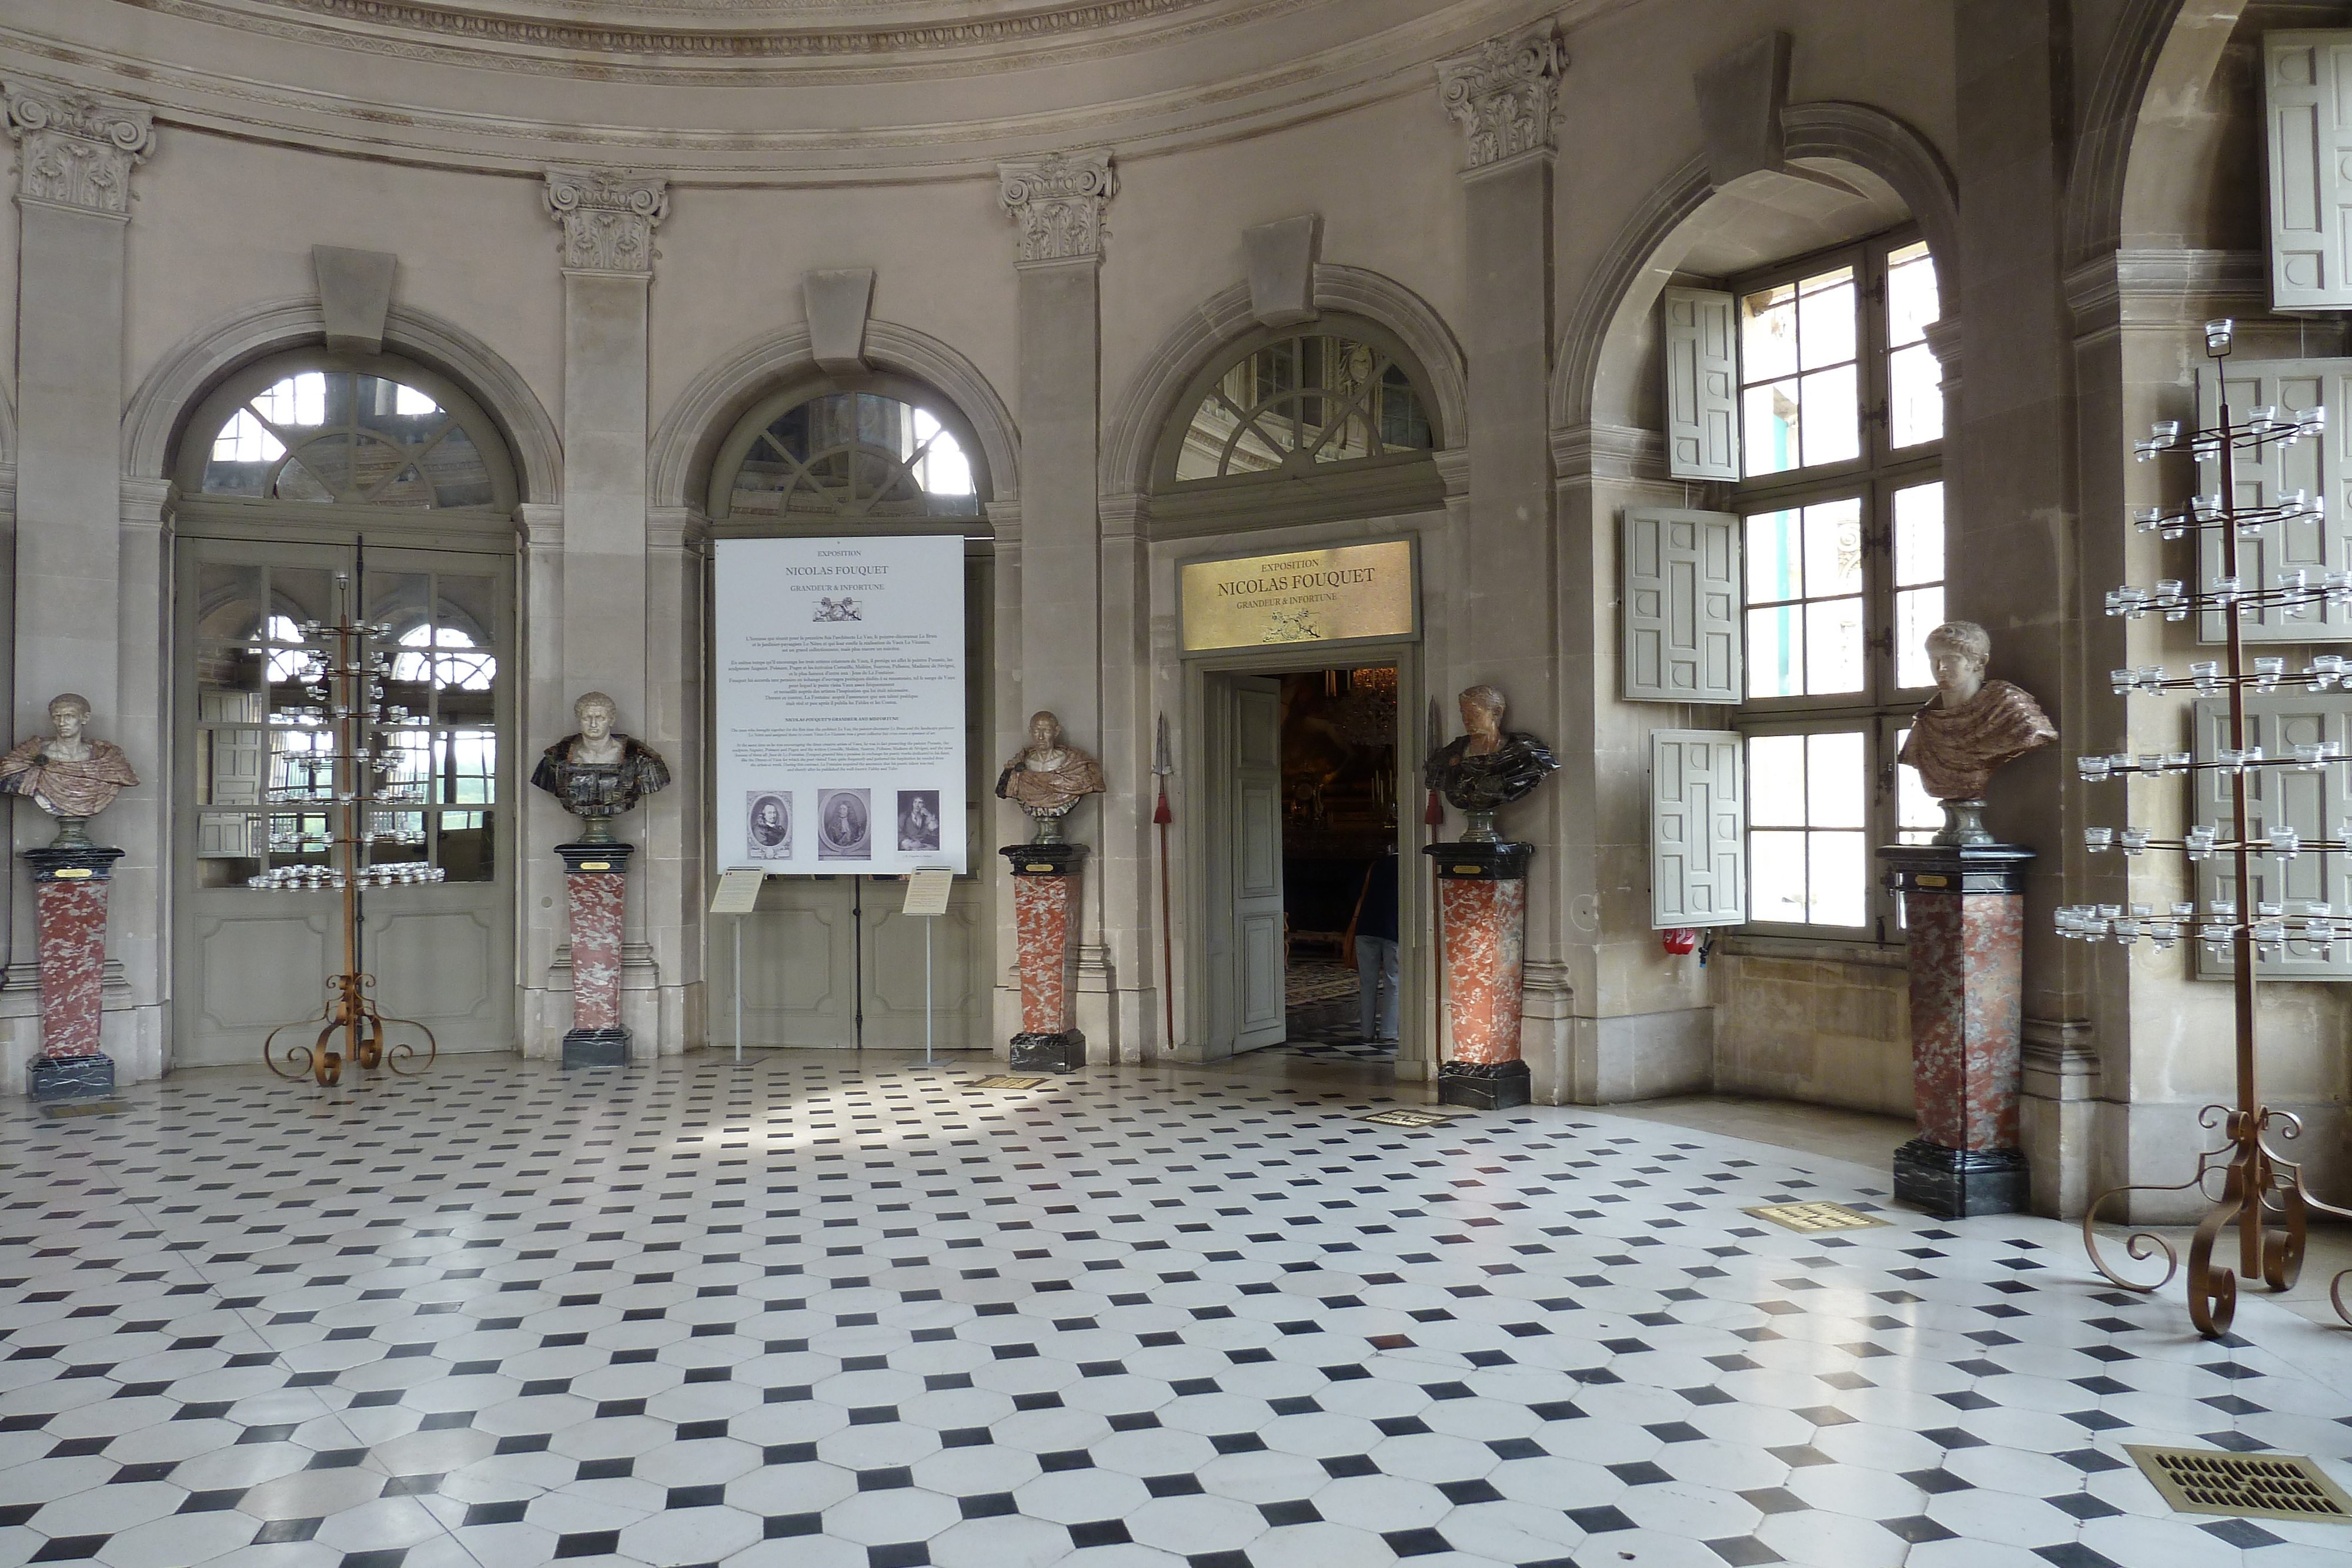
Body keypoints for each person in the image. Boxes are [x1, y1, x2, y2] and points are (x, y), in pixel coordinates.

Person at [1897, 621, 2057, 800]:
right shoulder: (1926, 721)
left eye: (1952, 658)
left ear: (1980, 662)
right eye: (1934, 659)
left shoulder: (2009, 708)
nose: (1940, 667)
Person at [530, 691, 671, 825]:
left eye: (600, 718)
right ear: (579, 719)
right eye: (587, 718)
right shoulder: (555, 759)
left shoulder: (641, 760)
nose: (593, 725)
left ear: (612, 720)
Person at [0, 694, 139, 828]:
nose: (62, 723)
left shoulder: (108, 760)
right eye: (57, 717)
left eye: (69, 716)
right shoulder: (28, 756)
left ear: (85, 718)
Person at [1349, 846, 1401, 1047]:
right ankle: (1388, 1032)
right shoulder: (1408, 868)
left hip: (1365, 928)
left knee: (1367, 983)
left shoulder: (1375, 866)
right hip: (1393, 930)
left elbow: (1354, 891)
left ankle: (1366, 1031)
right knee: (1393, 981)